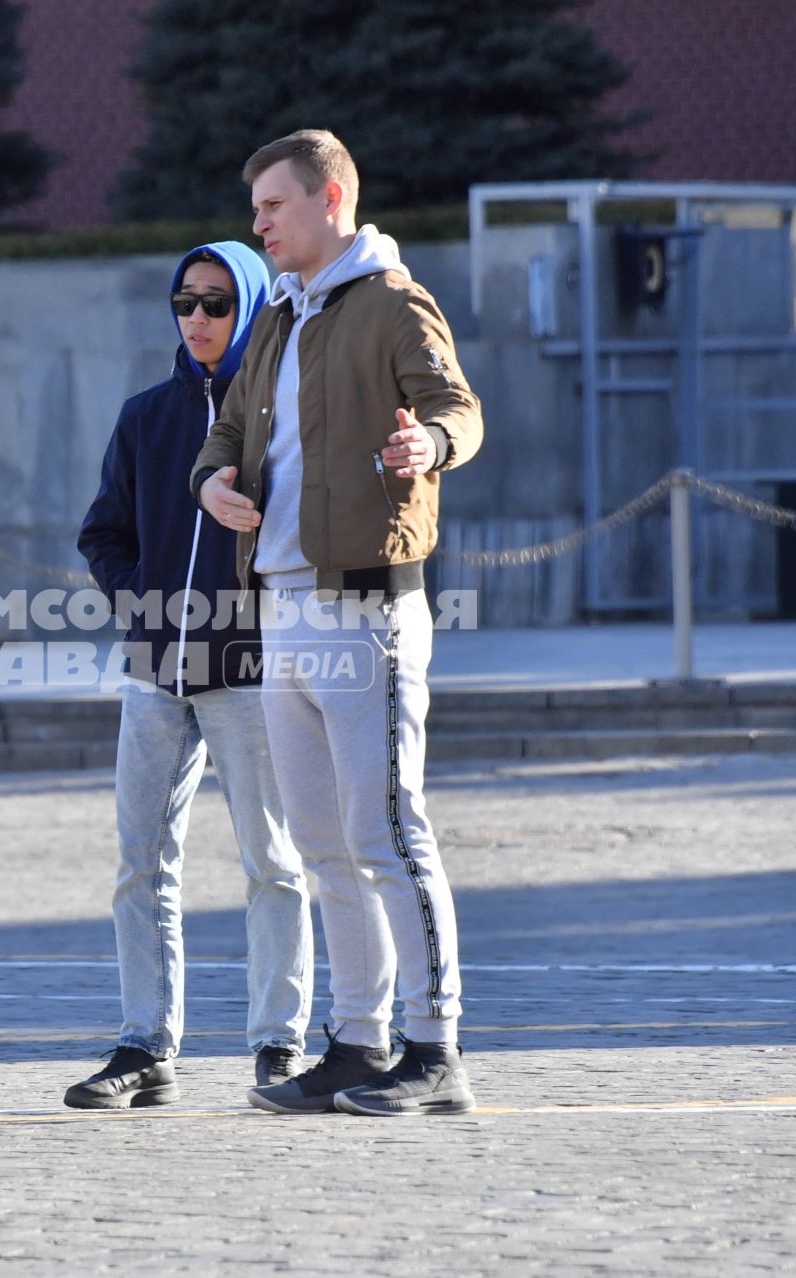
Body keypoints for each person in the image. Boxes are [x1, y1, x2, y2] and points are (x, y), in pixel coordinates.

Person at [192, 130, 485, 1117]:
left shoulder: (394, 302)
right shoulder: (277, 315)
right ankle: (356, 1044)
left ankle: (434, 1050)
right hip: (282, 613)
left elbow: (461, 409)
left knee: (386, 831)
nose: (258, 225)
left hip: (369, 605)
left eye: (272, 206)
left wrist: (430, 442)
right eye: (256, 210)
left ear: (331, 198)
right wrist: (212, 484)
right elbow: (228, 432)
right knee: (320, 838)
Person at [69, 241, 312, 1108]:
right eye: (184, 303)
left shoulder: (277, 415)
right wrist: (141, 604)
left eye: (215, 303)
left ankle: (279, 1045)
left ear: (246, 305)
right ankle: (145, 1046)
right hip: (153, 676)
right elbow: (104, 533)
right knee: (141, 863)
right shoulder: (146, 417)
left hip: (249, 675)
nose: (199, 319)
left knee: (273, 862)